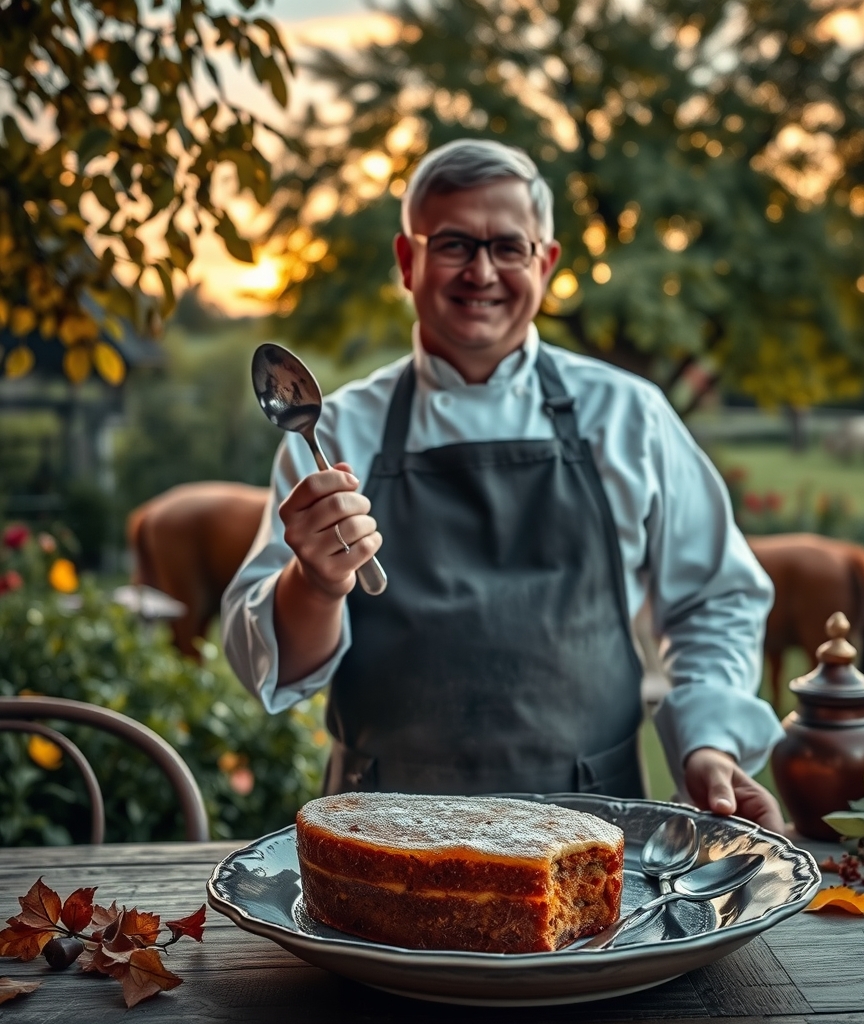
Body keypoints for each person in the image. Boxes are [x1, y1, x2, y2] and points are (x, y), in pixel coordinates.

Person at [222, 139, 785, 830]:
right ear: (408, 260)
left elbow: (715, 600)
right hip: (380, 834)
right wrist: (314, 584)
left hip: (596, 830)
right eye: (453, 243)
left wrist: (709, 741)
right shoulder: (333, 432)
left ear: (544, 263)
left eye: (508, 247)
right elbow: (262, 661)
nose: (481, 272)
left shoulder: (630, 416)